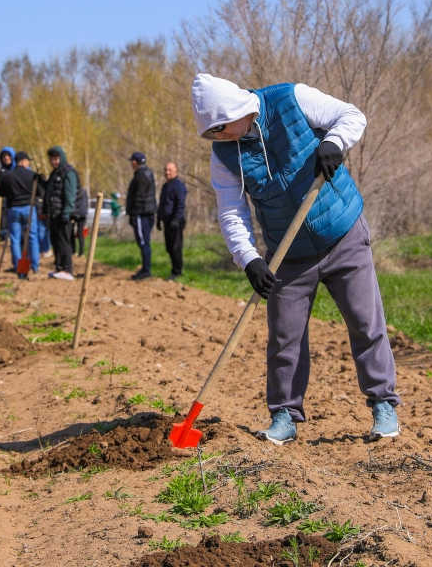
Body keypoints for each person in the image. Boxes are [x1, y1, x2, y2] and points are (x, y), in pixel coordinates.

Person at [191, 73, 400, 444]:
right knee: (284, 338)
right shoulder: (225, 155)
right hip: (286, 252)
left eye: (221, 127)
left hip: (343, 232)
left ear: (239, 110)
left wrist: (333, 142)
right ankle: (284, 416)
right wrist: (249, 259)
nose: (219, 135)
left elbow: (352, 116)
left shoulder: (291, 99)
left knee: (366, 324)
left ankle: (383, 404)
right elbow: (231, 212)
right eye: (212, 132)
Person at [0, 150, 40, 278]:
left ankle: (17, 266)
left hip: (14, 209)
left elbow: (1, 193)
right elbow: (38, 191)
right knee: (32, 236)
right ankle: (35, 266)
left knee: (15, 239)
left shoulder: (7, 176)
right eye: (27, 161)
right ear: (23, 161)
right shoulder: (31, 175)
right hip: (29, 208)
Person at [43, 146, 79, 280]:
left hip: (63, 214)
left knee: (64, 242)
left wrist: (67, 213)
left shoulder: (68, 172)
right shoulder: (55, 173)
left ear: (61, 158)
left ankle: (67, 269)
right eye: (52, 159)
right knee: (55, 241)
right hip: (54, 213)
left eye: (56, 159)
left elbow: (70, 195)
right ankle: (59, 267)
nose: (54, 162)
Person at [125, 152, 157, 280]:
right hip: (145, 212)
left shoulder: (141, 176)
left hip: (142, 214)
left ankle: (146, 270)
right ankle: (145, 268)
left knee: (143, 242)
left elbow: (139, 197)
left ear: (134, 162)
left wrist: (134, 214)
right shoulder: (146, 173)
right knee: (144, 242)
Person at [157, 161, 188, 280]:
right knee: (169, 247)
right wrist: (159, 218)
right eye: (165, 170)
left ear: (176, 171)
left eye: (170, 170)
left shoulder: (179, 185)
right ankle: (174, 269)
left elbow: (180, 204)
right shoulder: (165, 186)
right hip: (167, 221)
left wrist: (176, 219)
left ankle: (177, 271)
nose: (167, 172)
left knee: (176, 247)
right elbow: (163, 204)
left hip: (176, 221)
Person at [73, 183, 90, 257]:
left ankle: (74, 251)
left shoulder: (75, 191)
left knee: (73, 233)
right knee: (80, 233)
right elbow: (86, 203)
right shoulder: (84, 191)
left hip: (76, 214)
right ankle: (81, 252)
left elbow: (75, 203)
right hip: (83, 214)